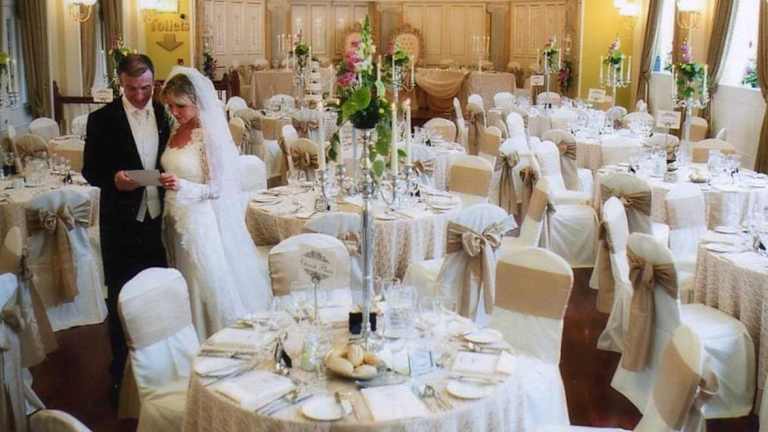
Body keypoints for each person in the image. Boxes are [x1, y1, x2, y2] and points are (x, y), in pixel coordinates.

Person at [159, 67, 271, 338]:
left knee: (200, 283)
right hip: (172, 217)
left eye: (180, 106)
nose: (174, 112)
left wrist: (183, 186)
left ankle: (209, 339)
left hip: (198, 221)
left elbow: (218, 188)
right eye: (170, 106)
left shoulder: (207, 136)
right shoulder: (175, 130)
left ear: (197, 102)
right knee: (180, 279)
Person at [82, 54, 171, 394]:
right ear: (120, 83)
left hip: (158, 222)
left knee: (158, 294)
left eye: (146, 88)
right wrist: (114, 180)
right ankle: (121, 371)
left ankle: (157, 368)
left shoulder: (164, 114)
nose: (139, 95)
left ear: (154, 82)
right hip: (120, 223)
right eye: (132, 88)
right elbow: (90, 170)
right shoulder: (101, 120)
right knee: (121, 297)